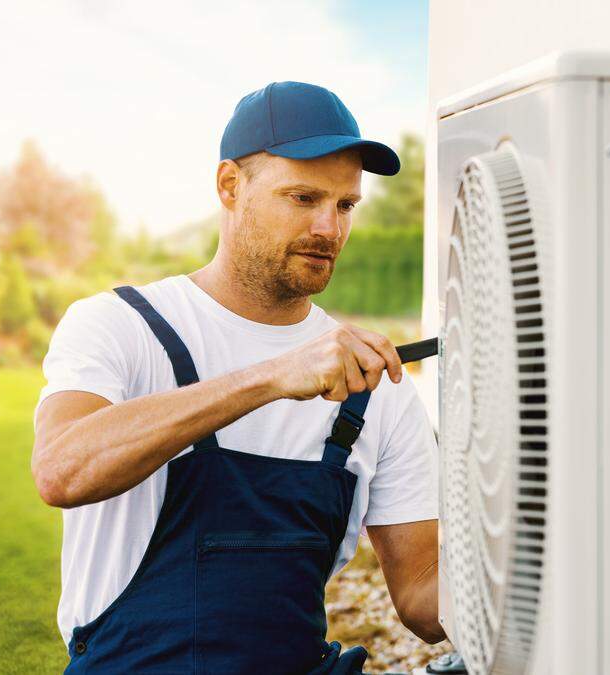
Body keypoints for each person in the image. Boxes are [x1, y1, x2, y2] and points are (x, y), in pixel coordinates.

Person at [32, 81, 443, 674]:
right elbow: (61, 468)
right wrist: (270, 377)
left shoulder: (375, 384)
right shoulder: (120, 326)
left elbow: (423, 602)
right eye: (303, 198)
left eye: (346, 205)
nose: (329, 228)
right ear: (230, 185)